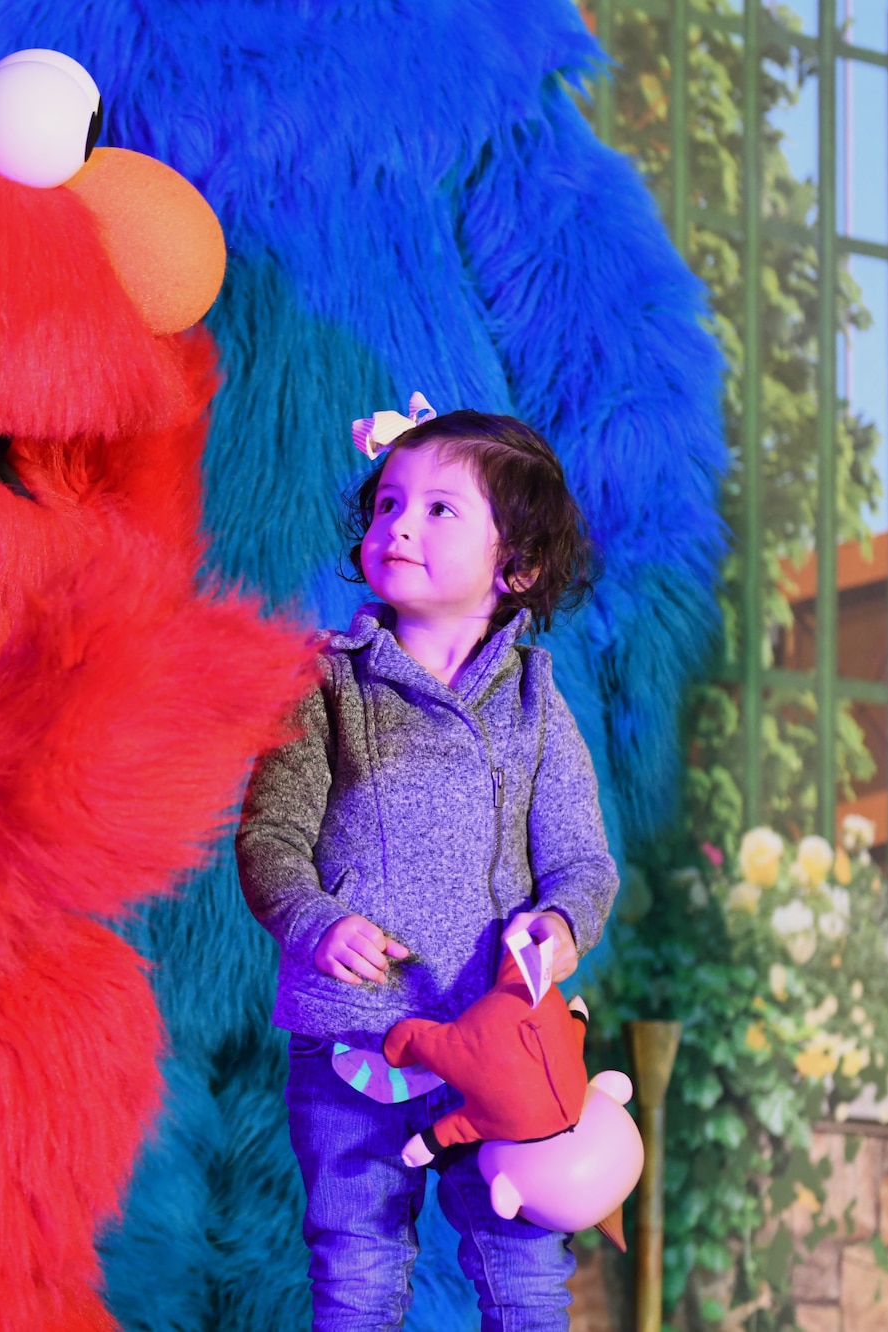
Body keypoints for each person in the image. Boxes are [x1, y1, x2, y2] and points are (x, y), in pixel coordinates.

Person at [237, 405, 620, 1332]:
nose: (397, 525)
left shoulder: (536, 700)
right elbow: (270, 839)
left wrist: (561, 926)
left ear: (516, 567)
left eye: (441, 510)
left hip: (505, 1045)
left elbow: (582, 861)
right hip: (354, 1043)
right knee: (358, 1271)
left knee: (525, 1275)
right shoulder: (326, 685)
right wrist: (318, 923)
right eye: (388, 505)